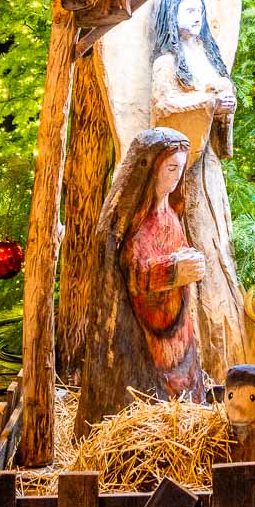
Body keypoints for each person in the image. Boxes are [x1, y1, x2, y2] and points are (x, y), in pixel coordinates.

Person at [150, 0, 255, 375]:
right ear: (170, 16)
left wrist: (225, 108)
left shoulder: (207, 56)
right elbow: (163, 105)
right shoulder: (167, 62)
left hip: (207, 158)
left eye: (199, 10)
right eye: (186, 10)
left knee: (218, 239)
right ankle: (201, 349)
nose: (195, 17)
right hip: (182, 162)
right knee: (196, 235)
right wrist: (208, 100)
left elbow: (217, 107)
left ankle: (230, 335)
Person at [75, 126, 206, 427]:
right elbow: (134, 271)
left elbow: (177, 248)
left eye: (180, 169)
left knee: (183, 381)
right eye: (170, 168)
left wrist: (190, 262)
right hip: (148, 332)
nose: (176, 177)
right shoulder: (136, 222)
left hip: (177, 326)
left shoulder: (170, 214)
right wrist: (173, 270)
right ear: (151, 168)